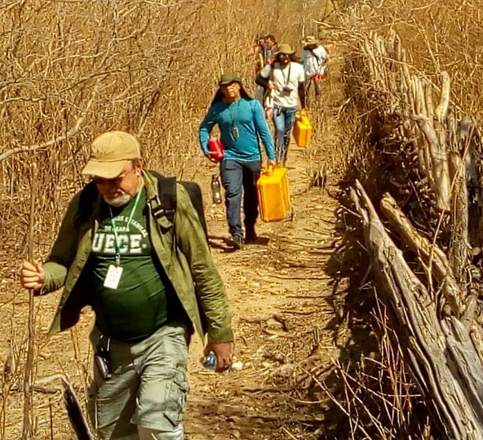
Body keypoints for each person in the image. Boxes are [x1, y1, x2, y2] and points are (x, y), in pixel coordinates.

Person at [19, 131, 234, 440]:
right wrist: (42, 278)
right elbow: (62, 262)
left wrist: (220, 332)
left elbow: (203, 269)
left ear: (138, 166)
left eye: (115, 178)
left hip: (163, 333)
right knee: (113, 435)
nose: (108, 187)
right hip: (110, 344)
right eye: (100, 180)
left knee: (158, 424)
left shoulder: (168, 200)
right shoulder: (85, 206)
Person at [198, 73, 276, 249]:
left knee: (251, 196)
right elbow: (204, 128)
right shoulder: (217, 109)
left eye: (232, 85)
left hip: (252, 158)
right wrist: (206, 148)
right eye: (224, 86)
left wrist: (271, 157)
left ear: (239, 86)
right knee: (233, 193)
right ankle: (236, 233)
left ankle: (250, 227)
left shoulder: (252, 105)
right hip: (229, 158)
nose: (228, 89)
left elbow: (264, 132)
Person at [256, 43, 306, 165]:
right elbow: (258, 79)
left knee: (287, 134)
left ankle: (283, 156)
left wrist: (303, 106)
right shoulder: (272, 66)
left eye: (287, 55)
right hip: (277, 105)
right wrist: (267, 83)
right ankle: (276, 157)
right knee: (279, 129)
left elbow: (301, 88)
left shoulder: (298, 68)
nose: (285, 57)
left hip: (291, 106)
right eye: (282, 55)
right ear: (279, 56)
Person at [300, 35, 329, 108]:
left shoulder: (320, 49)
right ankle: (306, 105)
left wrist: (321, 71)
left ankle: (318, 104)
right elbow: (302, 60)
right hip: (307, 72)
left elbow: (325, 60)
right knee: (305, 90)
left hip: (317, 72)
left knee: (318, 89)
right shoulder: (304, 51)